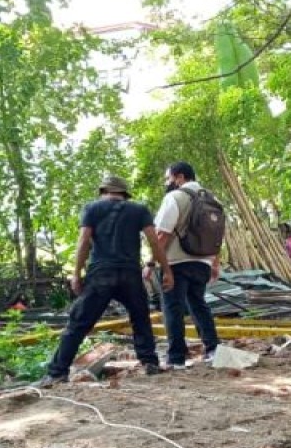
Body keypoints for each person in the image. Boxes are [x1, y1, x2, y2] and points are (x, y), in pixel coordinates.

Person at [37, 175, 174, 387]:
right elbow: (154, 242)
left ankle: (57, 373)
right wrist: (166, 271)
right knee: (140, 319)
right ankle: (150, 363)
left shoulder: (92, 208)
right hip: (130, 273)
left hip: (101, 273)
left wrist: (76, 273)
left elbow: (84, 241)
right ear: (125, 194)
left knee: (78, 323)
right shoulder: (139, 210)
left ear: (103, 191)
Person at [151, 161, 222, 366]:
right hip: (203, 262)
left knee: (173, 308)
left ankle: (176, 358)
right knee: (199, 305)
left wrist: (150, 263)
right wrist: (214, 263)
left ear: (179, 177)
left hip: (175, 263)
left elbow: (162, 234)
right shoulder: (213, 199)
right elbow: (217, 235)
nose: (167, 182)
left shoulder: (175, 197)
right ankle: (213, 349)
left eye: (168, 178)